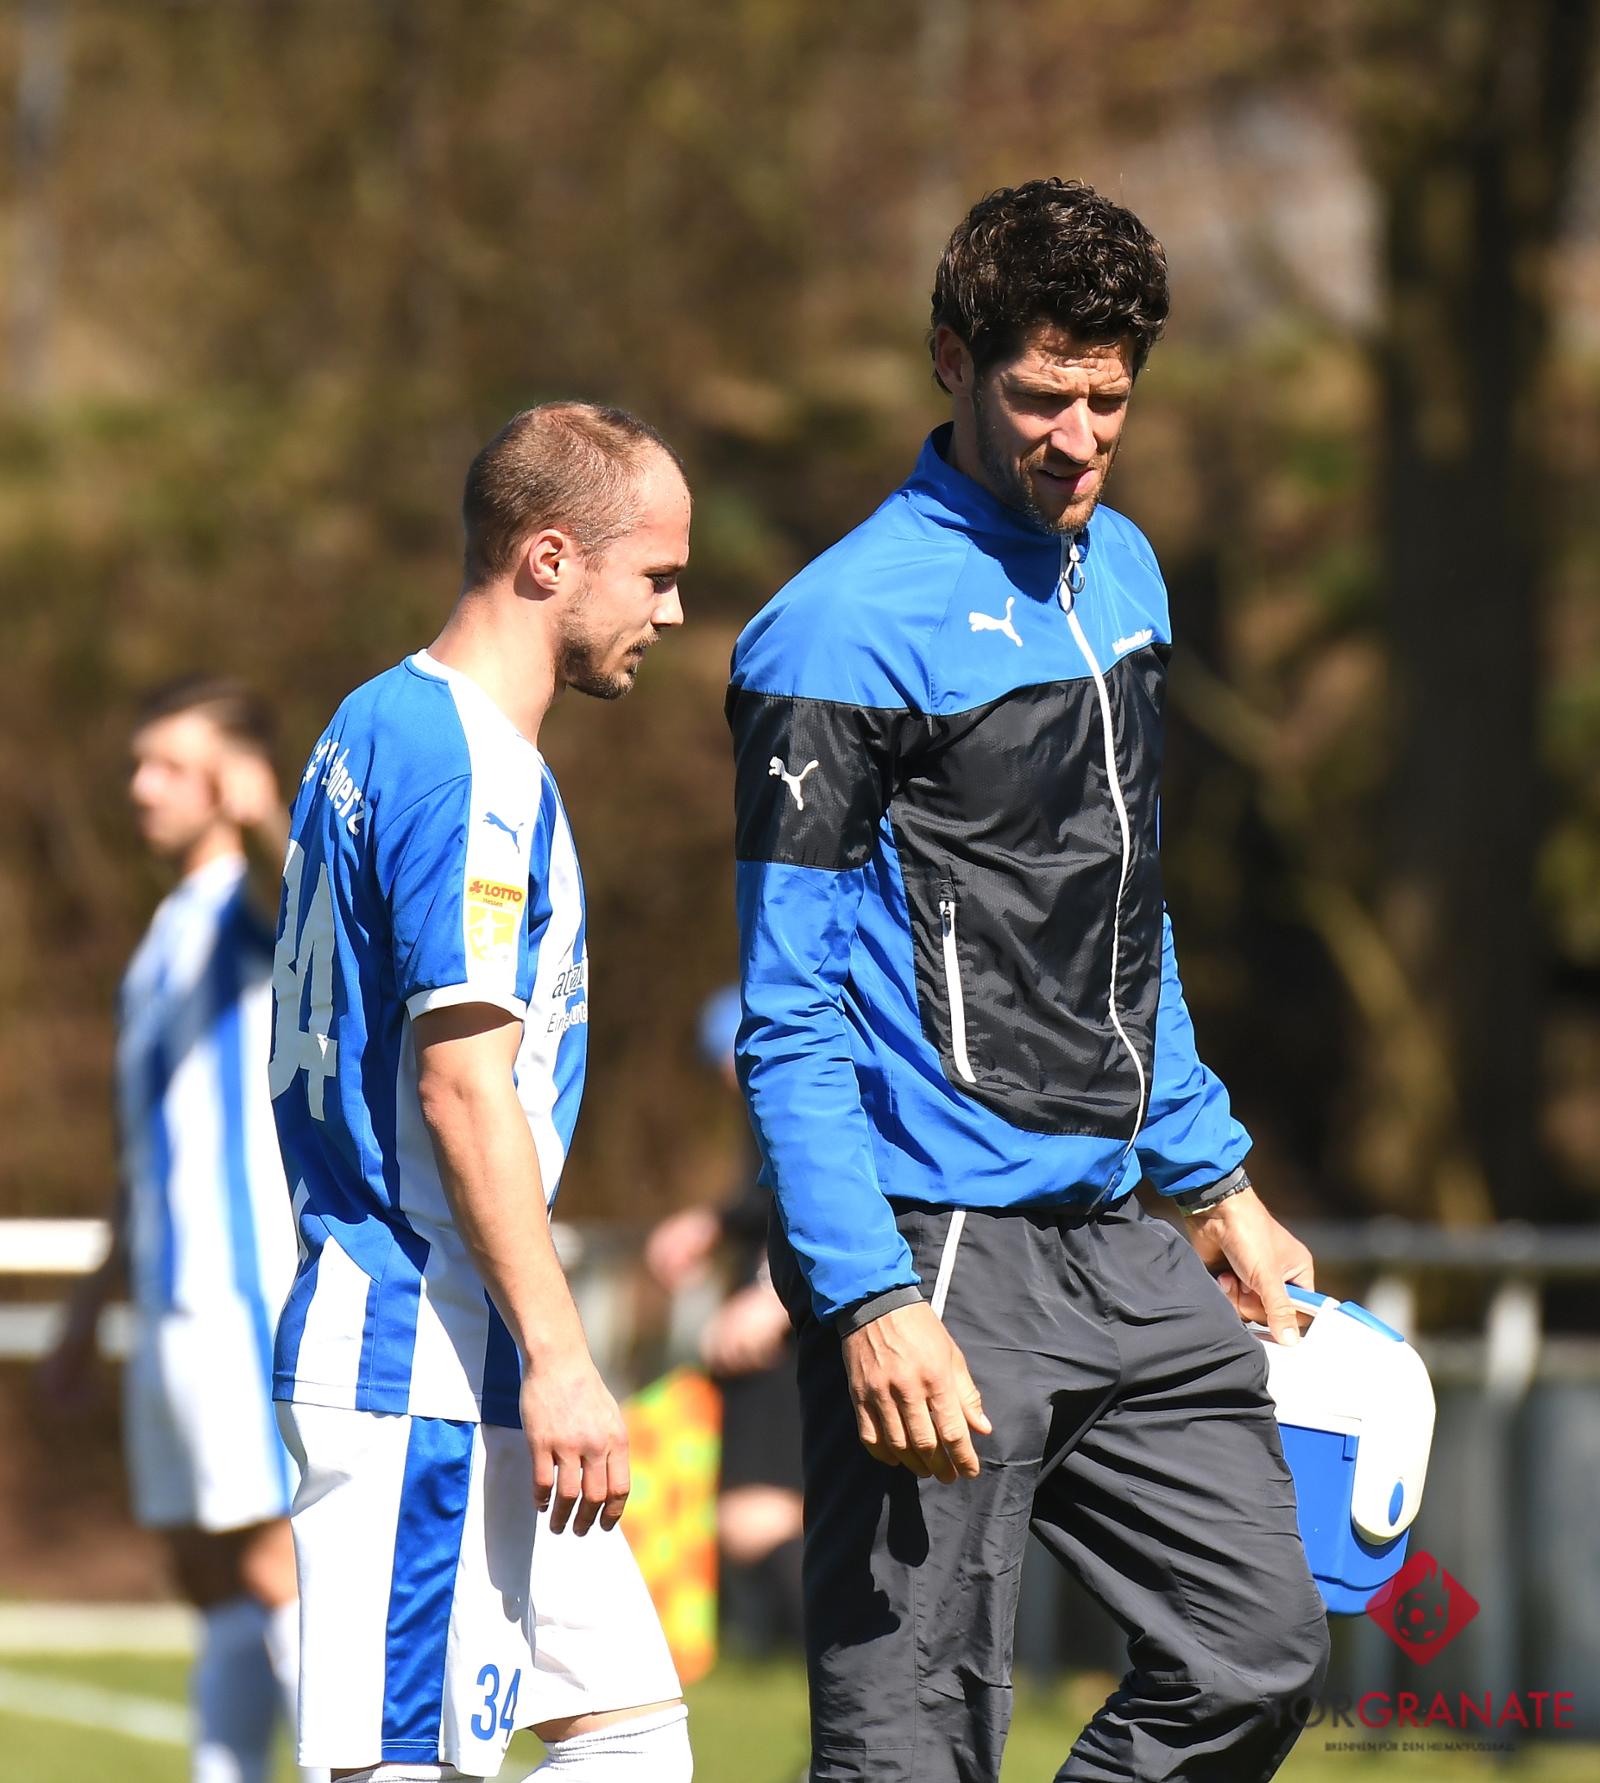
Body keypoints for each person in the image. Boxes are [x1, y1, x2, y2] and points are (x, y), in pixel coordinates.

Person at [728, 179, 1332, 1782]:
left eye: (1109, 400)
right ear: (953, 360)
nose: (1078, 438)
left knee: (1257, 1651)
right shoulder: (835, 630)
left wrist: (1212, 1176)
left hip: (1121, 1233)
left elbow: (1125, 914)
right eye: (1042, 396)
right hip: (935, 1245)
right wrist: (866, 1296)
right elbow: (787, 1012)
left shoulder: (1123, 571)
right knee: (914, 1745)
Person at [268, 402, 694, 1783]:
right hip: (418, 1346)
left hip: (465, 1340)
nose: (673, 612)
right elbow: (461, 1086)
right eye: (656, 575)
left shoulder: (374, 717)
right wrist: (566, 1355)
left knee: (634, 1733)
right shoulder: (470, 768)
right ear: (551, 558)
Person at [42, 677, 322, 1783]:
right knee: (207, 1573)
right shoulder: (163, 934)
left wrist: (267, 819)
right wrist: (88, 1305)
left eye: (169, 764)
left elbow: (319, 911)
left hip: (240, 1292)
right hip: (167, 1302)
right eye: (137, 763)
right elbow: (139, 1153)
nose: (141, 787)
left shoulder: (252, 906)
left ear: (230, 777)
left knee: (274, 1562)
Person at [643, 986, 804, 1653]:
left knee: (758, 1515)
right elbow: (767, 1197)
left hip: (793, 1325)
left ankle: (850, 1674)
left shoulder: (799, 1088)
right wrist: (710, 1223)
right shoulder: (767, 1101)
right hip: (784, 1315)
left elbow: (817, 1191)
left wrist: (772, 1292)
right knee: (753, 1516)